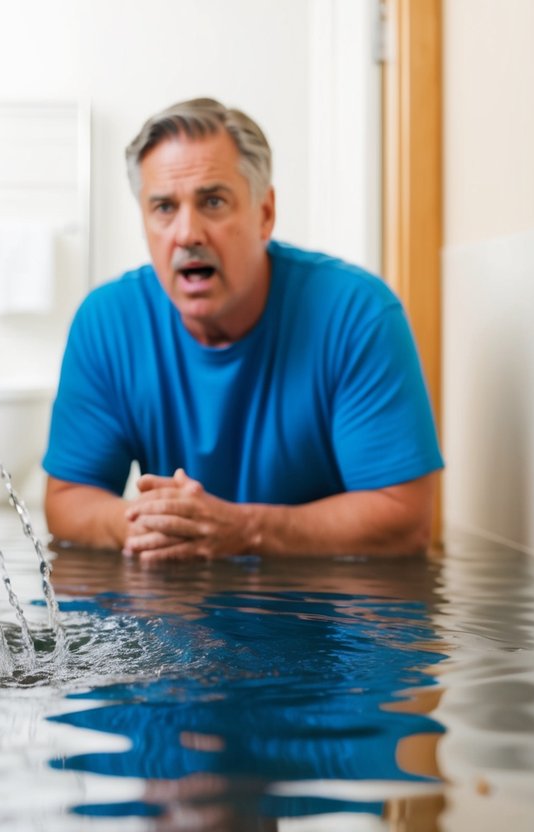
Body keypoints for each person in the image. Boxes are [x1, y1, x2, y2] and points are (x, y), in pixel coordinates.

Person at [41, 97, 443, 560]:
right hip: (173, 610)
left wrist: (245, 529)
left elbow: (405, 520)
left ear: (265, 214)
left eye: (213, 202)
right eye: (164, 207)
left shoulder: (358, 314)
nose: (187, 233)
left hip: (324, 614)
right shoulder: (106, 323)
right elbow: (68, 501)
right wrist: (145, 524)